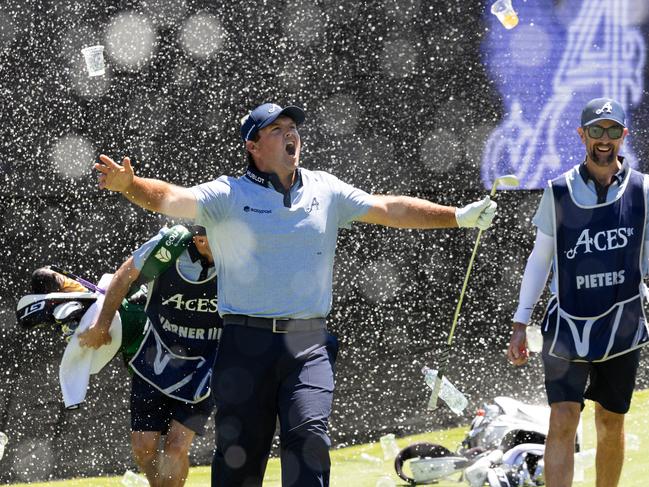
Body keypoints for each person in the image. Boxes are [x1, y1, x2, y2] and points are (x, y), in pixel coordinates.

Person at [94, 102, 498, 487]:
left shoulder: (326, 189)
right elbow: (171, 197)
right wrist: (130, 186)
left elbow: (390, 209)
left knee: (309, 439)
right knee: (239, 461)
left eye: (293, 128)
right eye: (277, 130)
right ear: (253, 146)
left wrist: (458, 217)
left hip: (307, 343)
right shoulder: (229, 194)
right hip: (243, 344)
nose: (291, 135)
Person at [507, 97, 649, 487]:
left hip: (623, 327)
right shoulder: (558, 192)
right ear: (582, 134)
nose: (605, 140)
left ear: (624, 135)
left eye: (613, 130)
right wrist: (521, 321)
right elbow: (540, 259)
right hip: (568, 326)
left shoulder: (643, 190)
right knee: (563, 416)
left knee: (610, 419)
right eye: (596, 131)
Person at [79, 224, 222, 487]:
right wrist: (101, 325)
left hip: (205, 366)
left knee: (176, 448)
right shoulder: (171, 245)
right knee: (143, 447)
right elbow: (124, 276)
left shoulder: (243, 257)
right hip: (155, 357)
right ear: (201, 240)